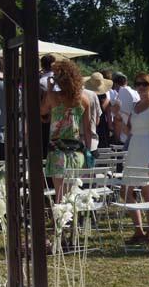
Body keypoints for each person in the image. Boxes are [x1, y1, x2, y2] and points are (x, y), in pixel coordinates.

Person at [121, 73, 149, 245]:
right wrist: (118, 118)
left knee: (148, 194)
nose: (141, 87)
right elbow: (128, 131)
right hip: (134, 147)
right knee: (125, 191)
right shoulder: (134, 105)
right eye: (138, 84)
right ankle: (139, 230)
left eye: (144, 84)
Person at [40, 60, 92, 205]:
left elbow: (41, 110)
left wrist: (49, 89)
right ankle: (73, 224)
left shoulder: (53, 97)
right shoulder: (84, 99)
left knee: (60, 194)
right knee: (72, 192)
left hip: (57, 150)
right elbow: (87, 129)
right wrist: (89, 151)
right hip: (76, 151)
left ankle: (61, 225)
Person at [83, 72, 114, 150]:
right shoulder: (106, 100)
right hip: (102, 129)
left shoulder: (85, 97)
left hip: (87, 126)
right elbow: (109, 119)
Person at [111, 72, 140, 144]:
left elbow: (117, 121)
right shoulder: (136, 93)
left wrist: (116, 141)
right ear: (126, 82)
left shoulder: (118, 97)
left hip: (124, 140)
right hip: (137, 136)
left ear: (114, 84)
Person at [39, 54, 57, 158]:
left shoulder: (40, 82)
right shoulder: (60, 82)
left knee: (45, 153)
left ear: (42, 65)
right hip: (60, 121)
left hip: (44, 121)